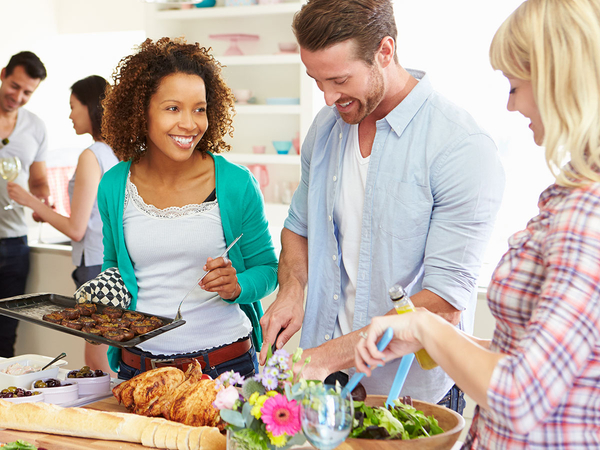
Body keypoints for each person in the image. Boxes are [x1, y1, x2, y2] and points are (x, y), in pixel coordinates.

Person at [355, 0, 600, 447]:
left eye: (515, 86)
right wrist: (432, 336)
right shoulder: (570, 199)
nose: (511, 105)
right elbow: (535, 361)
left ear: (558, 81)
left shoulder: (586, 215)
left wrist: (425, 325)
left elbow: (521, 396)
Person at [258, 0, 505, 413]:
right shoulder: (325, 129)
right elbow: (298, 228)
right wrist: (292, 291)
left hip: (409, 397)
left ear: (385, 52)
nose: (328, 96)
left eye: (339, 79)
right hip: (324, 388)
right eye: (316, 80)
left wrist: (322, 357)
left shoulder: (461, 147)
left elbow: (443, 304)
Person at [98, 37, 278, 380]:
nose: (190, 124)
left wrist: (237, 285)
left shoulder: (236, 184)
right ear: (141, 111)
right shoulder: (114, 185)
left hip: (224, 368)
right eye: (172, 108)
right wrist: (98, 304)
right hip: (138, 370)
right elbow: (114, 266)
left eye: (199, 108)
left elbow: (268, 268)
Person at [8, 75, 118, 374]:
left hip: (95, 266)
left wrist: (31, 201)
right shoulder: (117, 152)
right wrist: (46, 212)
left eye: (73, 106)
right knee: (104, 356)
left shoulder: (92, 155)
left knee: (96, 361)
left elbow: (76, 229)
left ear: (90, 107)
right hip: (111, 265)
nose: (70, 115)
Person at [0, 51, 49, 358]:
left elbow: (39, 180)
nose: (18, 96)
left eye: (27, 92)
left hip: (14, 245)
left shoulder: (36, 127)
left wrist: (41, 199)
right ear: (3, 73)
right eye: (14, 86)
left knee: (5, 335)